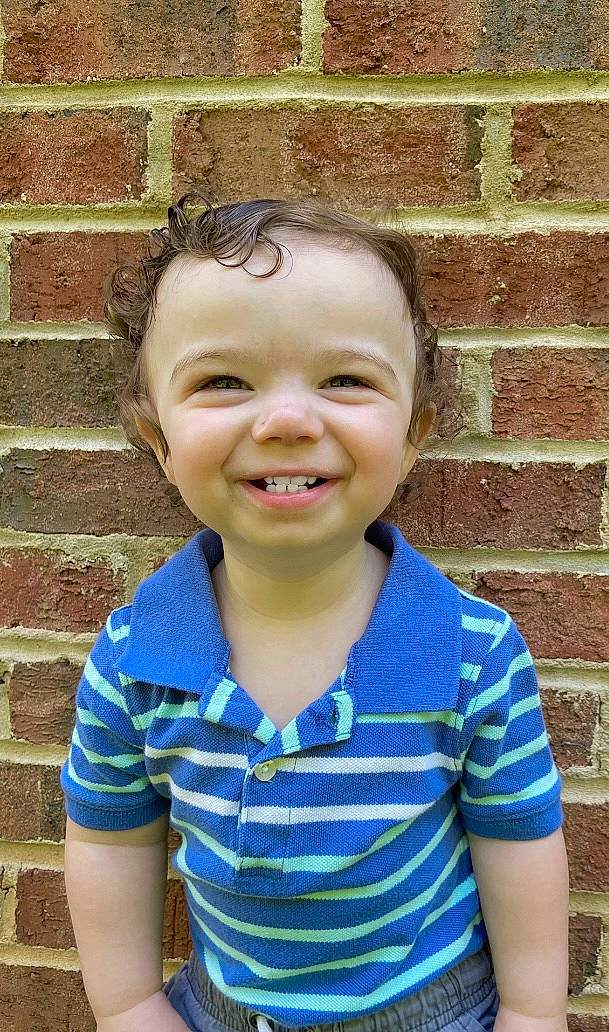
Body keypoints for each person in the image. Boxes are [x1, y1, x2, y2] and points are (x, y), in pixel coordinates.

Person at [60, 193, 570, 1032]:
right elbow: (111, 840)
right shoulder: (132, 660)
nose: (290, 420)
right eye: (224, 381)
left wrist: (532, 1016)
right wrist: (128, 1008)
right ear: (159, 441)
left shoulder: (473, 653)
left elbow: (517, 842)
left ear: (414, 434)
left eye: (344, 379)